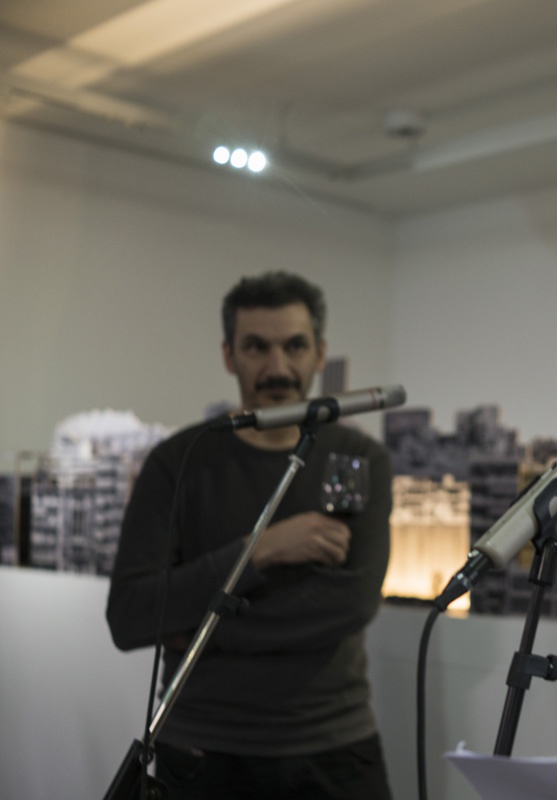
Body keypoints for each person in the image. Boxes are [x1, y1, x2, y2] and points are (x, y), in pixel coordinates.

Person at [107, 271, 394, 799]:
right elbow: (130, 616)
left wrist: (197, 627)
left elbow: (352, 604)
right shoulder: (179, 462)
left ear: (319, 353)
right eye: (257, 347)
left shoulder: (360, 458)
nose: (277, 367)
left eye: (295, 346)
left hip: (335, 753)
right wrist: (260, 550)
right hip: (199, 755)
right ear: (229, 355)